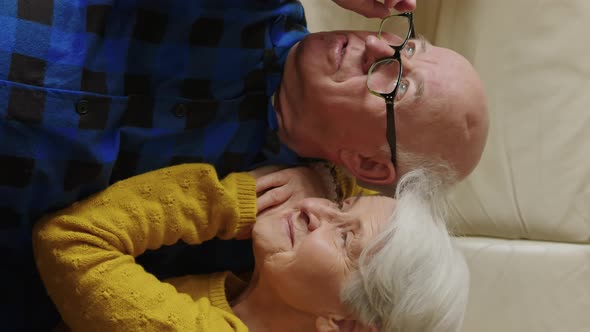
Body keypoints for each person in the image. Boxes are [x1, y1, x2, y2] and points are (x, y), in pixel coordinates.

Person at [0, 0, 487, 328]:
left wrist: (324, 189)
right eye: (407, 46)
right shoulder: (259, 10)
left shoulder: (267, 238)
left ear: (369, 164)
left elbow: (82, 265)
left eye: (398, 82)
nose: (378, 47)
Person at [33, 163, 469, 332]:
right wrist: (327, 181)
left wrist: (234, 201)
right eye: (341, 205)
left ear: (344, 324)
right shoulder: (252, 298)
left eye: (344, 237)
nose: (315, 208)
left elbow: (71, 240)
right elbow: (374, 209)